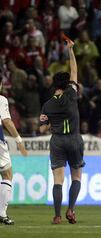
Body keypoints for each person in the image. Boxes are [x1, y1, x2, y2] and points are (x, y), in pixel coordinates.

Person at [39, 38, 84, 225]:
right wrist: (70, 50)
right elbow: (74, 70)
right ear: (67, 84)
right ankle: (71, 210)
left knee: (58, 180)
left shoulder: (47, 105)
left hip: (57, 141)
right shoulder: (72, 94)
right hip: (74, 139)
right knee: (76, 176)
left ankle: (57, 216)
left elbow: (42, 128)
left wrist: (51, 123)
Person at [0, 76, 28, 225]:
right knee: (7, 174)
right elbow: (6, 121)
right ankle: (2, 213)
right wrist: (19, 140)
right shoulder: (1, 99)